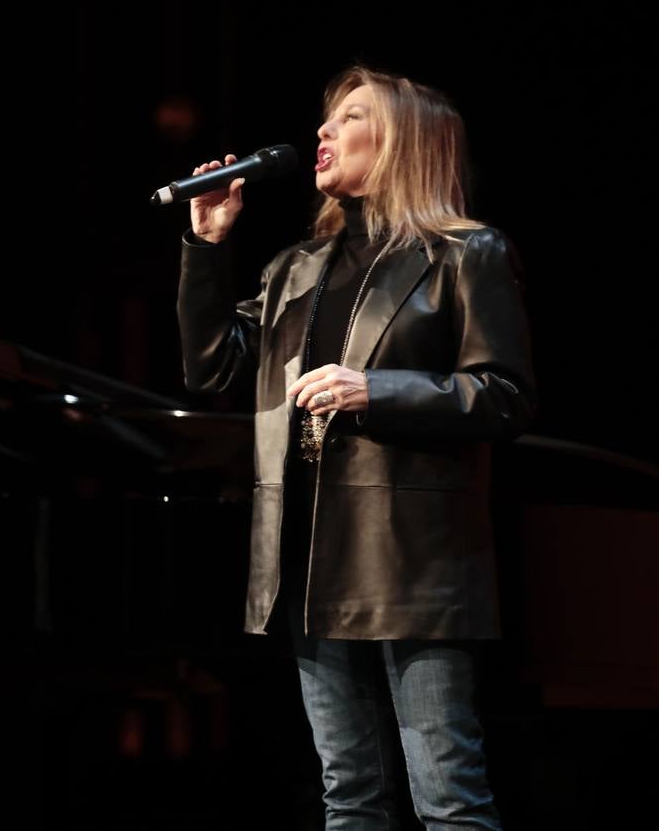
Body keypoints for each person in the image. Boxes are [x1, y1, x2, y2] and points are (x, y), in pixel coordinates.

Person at [176, 66, 534, 828]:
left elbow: (504, 395)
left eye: (349, 118)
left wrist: (380, 389)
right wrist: (207, 247)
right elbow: (212, 366)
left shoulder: (465, 254)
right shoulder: (295, 268)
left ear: (403, 139)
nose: (323, 133)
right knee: (350, 798)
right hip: (308, 563)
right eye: (325, 121)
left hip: (412, 564)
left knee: (449, 797)